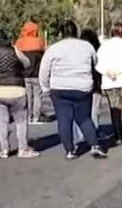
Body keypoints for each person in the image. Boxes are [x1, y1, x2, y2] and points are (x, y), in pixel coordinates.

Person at [39, 20, 106, 159]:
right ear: (76, 31)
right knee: (84, 118)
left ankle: (70, 150)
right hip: (82, 87)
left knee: (64, 119)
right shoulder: (87, 46)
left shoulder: (54, 48)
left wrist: (46, 88)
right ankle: (94, 145)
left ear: (61, 33)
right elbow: (96, 62)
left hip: (59, 87)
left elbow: (44, 70)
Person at [0, 29, 38, 159]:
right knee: (20, 120)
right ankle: (23, 148)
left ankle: (4, 149)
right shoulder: (13, 50)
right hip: (16, 88)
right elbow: (26, 63)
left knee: (1, 121)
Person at [16, 20, 47, 124]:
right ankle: (36, 117)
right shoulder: (40, 42)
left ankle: (28, 116)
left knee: (27, 96)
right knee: (38, 96)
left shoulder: (20, 42)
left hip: (24, 74)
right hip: (37, 74)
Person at [80, 29, 105, 136]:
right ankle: (94, 132)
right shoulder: (98, 51)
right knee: (95, 109)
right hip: (96, 83)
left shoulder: (79, 51)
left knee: (82, 110)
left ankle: (83, 133)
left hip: (81, 84)